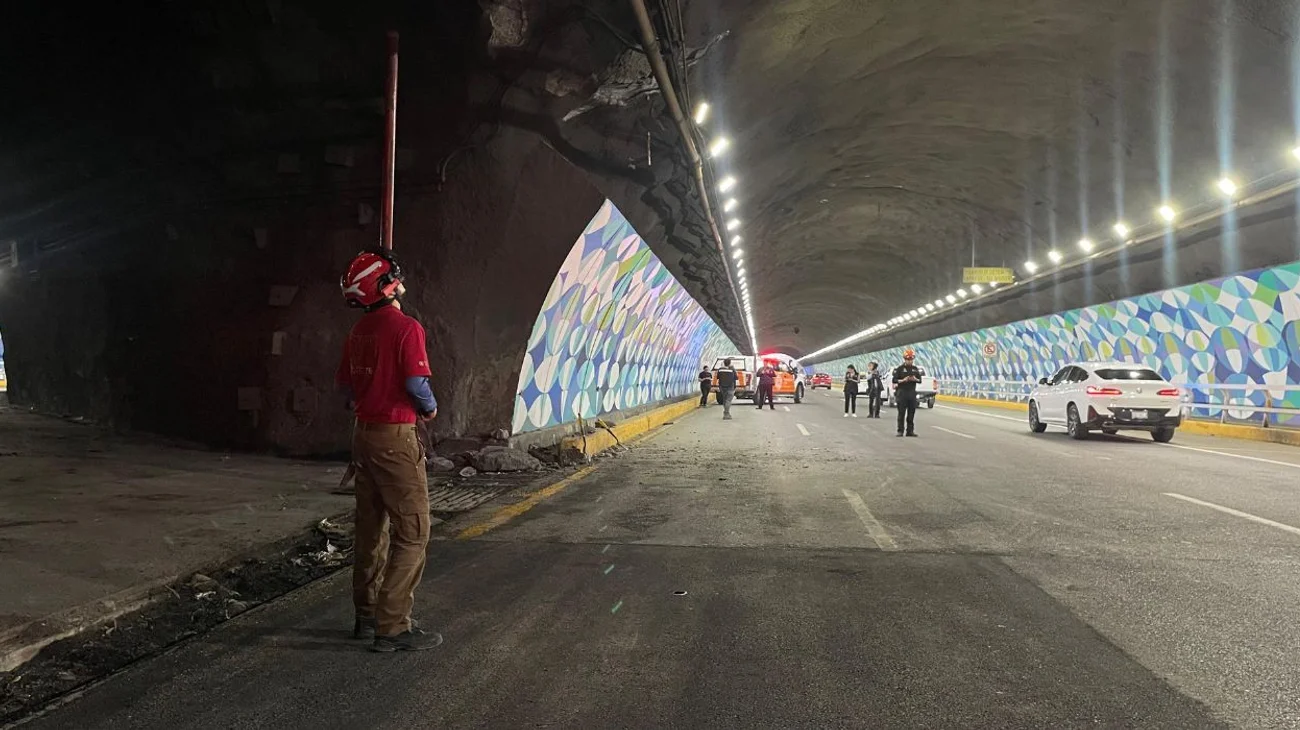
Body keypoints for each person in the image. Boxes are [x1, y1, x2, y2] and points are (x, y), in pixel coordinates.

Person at [336, 249, 442, 653]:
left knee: (370, 528)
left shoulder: (357, 333)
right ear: (385, 285)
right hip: (395, 438)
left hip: (363, 434)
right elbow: (417, 385)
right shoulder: (406, 328)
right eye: (394, 277)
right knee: (413, 531)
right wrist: (429, 408)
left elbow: (346, 389)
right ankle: (393, 625)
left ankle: (365, 615)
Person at [892, 349, 924, 437]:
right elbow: (894, 380)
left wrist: (915, 379)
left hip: (912, 394)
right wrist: (903, 380)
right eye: (908, 359)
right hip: (902, 393)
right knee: (901, 413)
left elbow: (920, 380)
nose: (910, 361)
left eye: (911, 359)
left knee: (911, 414)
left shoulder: (915, 369)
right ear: (904, 359)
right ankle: (900, 430)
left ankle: (910, 431)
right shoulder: (900, 369)